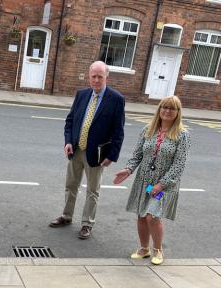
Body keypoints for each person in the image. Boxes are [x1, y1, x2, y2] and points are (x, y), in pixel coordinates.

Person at [49, 61, 125, 239]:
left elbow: (118, 131)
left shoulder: (116, 99)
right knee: (71, 185)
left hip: (97, 155)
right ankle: (66, 216)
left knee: (93, 190)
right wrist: (68, 141)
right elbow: (70, 121)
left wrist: (112, 155)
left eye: (100, 76)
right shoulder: (81, 94)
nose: (96, 80)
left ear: (106, 77)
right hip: (75, 150)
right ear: (89, 76)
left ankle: (87, 224)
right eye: (94, 76)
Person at [113, 95, 190, 265]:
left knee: (152, 216)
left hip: (163, 186)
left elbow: (179, 165)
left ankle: (158, 250)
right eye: (164, 107)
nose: (167, 111)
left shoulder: (182, 136)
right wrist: (128, 170)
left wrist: (161, 185)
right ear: (159, 109)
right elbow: (137, 155)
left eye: (172, 108)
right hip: (145, 183)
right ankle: (144, 249)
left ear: (178, 112)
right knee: (141, 215)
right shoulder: (148, 130)